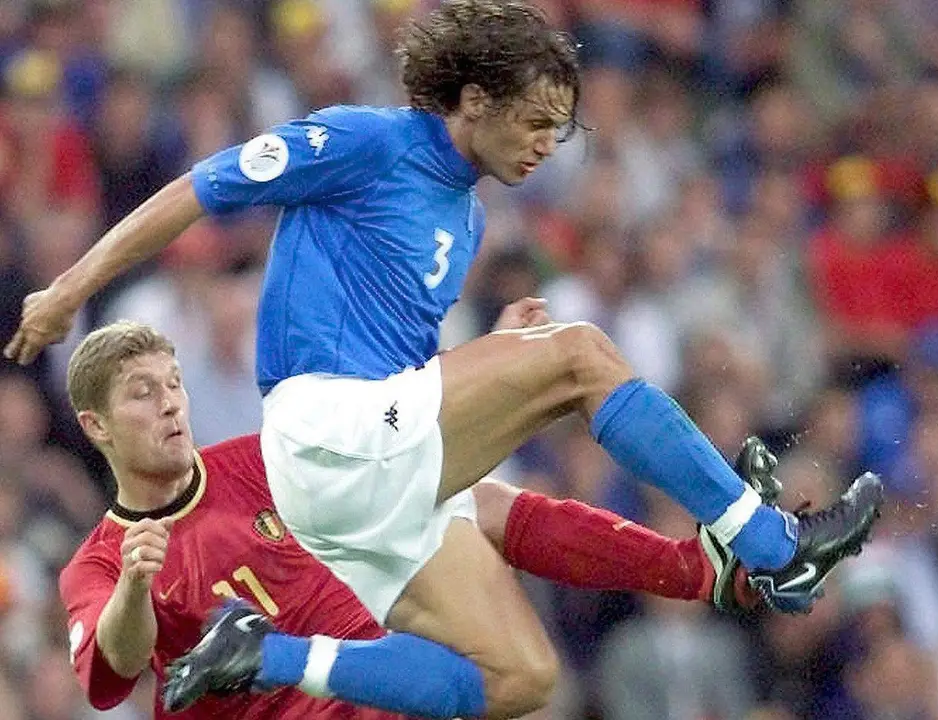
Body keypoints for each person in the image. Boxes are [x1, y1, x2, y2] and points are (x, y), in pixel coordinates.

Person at [7, 1, 884, 717]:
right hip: (321, 429)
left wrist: (491, 355)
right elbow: (200, 191)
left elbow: (404, 374)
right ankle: (767, 543)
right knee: (576, 353)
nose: (547, 144)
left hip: (361, 473)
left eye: (561, 128)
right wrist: (69, 289)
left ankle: (260, 654)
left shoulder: (465, 217)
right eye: (535, 120)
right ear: (473, 99)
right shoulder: (366, 142)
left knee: (521, 679)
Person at [61, 320, 779, 718]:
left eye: (176, 383)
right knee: (524, 668)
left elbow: (402, 444)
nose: (170, 402)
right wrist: (134, 584)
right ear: (95, 426)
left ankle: (702, 570)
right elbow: (113, 673)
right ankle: (705, 570)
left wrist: (497, 367)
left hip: (386, 697)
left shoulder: (260, 461)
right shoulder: (98, 563)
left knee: (464, 503)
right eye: (142, 392)